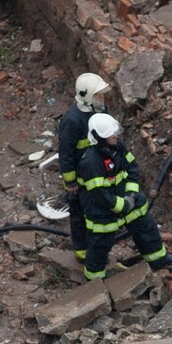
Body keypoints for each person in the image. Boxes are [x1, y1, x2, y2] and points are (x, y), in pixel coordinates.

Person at [77, 113, 172, 280]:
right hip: (102, 209)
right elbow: (99, 195)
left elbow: (132, 168)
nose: (116, 136)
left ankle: (158, 259)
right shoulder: (90, 162)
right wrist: (122, 205)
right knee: (100, 244)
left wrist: (131, 194)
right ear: (99, 138)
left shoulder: (117, 147)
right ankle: (94, 280)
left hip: (127, 199)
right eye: (111, 134)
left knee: (145, 226)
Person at [58, 72, 111, 262]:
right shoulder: (72, 121)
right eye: (98, 95)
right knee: (79, 212)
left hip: (98, 173)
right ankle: (82, 249)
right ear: (86, 96)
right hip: (80, 179)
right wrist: (70, 182)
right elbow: (65, 154)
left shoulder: (100, 112)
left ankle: (99, 246)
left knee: (99, 210)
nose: (102, 98)